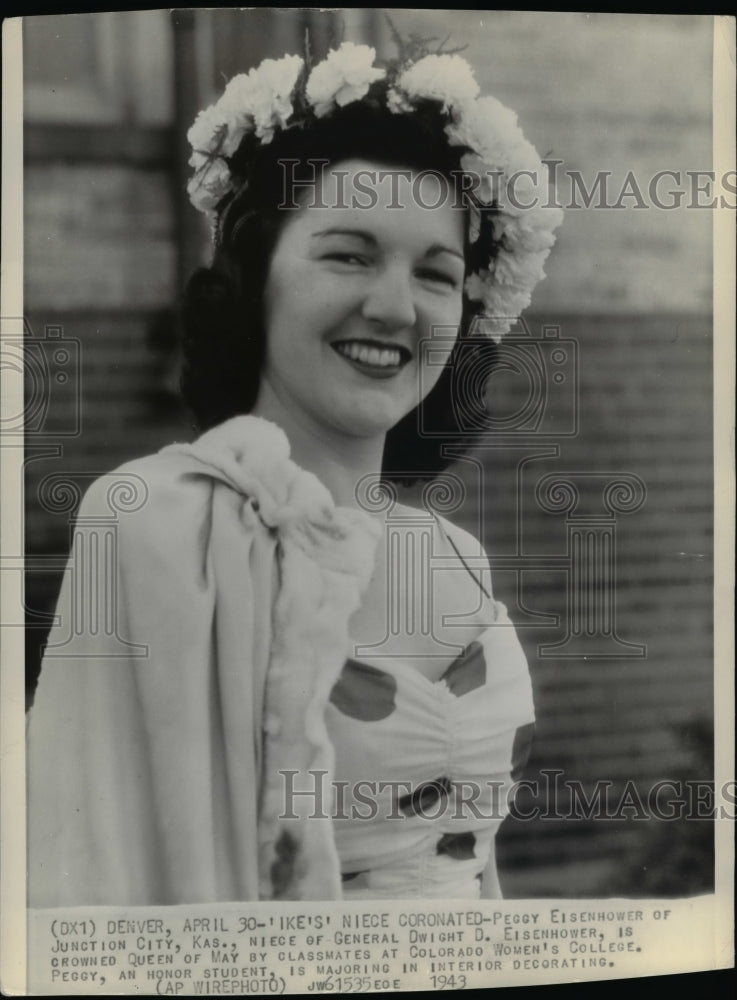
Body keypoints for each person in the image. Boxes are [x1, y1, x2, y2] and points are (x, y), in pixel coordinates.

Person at [27, 40, 563, 906]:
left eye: (436, 273)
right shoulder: (163, 523)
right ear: (254, 283)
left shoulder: (454, 555)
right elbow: (102, 871)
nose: (394, 306)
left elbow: (470, 871)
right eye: (347, 254)